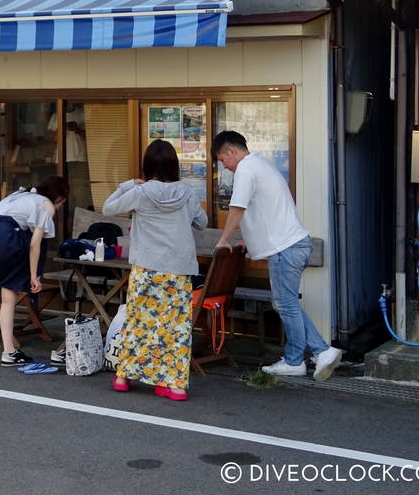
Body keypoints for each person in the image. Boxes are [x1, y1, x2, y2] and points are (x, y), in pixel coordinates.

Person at [211, 130, 343, 381]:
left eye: (222, 160)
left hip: (286, 249)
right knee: (287, 302)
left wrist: (223, 240)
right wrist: (248, 241)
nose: (224, 167)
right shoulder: (260, 164)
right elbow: (263, 213)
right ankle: (321, 351)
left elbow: (238, 208)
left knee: (285, 303)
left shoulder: (246, 169)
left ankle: (296, 360)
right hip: (293, 245)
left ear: (231, 151)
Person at [102, 139, 207, 401]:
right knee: (175, 327)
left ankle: (124, 376)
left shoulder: (141, 192)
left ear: (147, 165)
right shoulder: (187, 192)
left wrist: (129, 184)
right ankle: (174, 385)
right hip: (179, 269)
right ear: (174, 165)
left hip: (147, 268)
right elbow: (202, 223)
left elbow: (108, 208)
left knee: (139, 322)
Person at [0, 176, 69, 367]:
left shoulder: (19, 196)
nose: (58, 209)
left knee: (5, 297)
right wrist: (35, 276)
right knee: (9, 298)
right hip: (6, 238)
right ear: (59, 198)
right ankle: (9, 352)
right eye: (61, 204)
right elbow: (35, 245)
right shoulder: (46, 205)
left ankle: (10, 347)